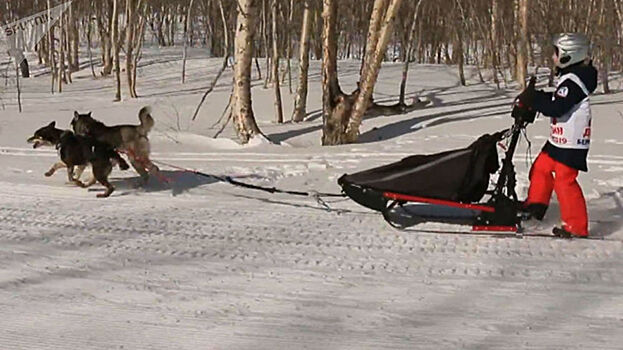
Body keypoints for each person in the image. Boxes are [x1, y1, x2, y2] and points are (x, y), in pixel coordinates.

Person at [517, 33, 598, 238]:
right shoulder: (573, 77)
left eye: (556, 53)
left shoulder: (576, 81)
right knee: (541, 168)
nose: (553, 57)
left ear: (568, 55)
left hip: (571, 142)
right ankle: (536, 205)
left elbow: (557, 107)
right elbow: (556, 98)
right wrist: (533, 97)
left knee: (564, 180)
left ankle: (576, 226)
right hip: (559, 139)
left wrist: (534, 100)